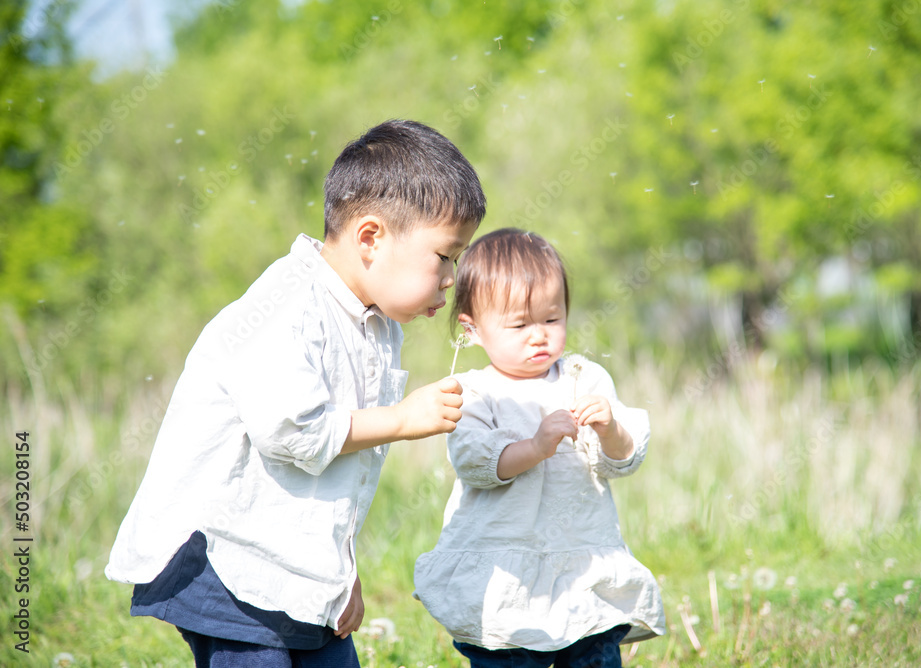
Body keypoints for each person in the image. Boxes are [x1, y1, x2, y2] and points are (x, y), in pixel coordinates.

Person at [105, 119, 486, 667]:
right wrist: (403, 418)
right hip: (225, 557)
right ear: (372, 238)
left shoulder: (379, 327)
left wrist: (339, 573)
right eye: (445, 256)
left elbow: (341, 476)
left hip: (296, 571)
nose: (452, 279)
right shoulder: (287, 303)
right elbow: (294, 430)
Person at [414, 228, 665, 667]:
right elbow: (476, 463)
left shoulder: (584, 380)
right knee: (509, 655)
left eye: (552, 319)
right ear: (472, 329)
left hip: (582, 562)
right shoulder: (475, 393)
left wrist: (610, 430)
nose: (539, 336)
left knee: (593, 654)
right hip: (506, 570)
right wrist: (534, 446)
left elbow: (622, 461)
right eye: (519, 324)